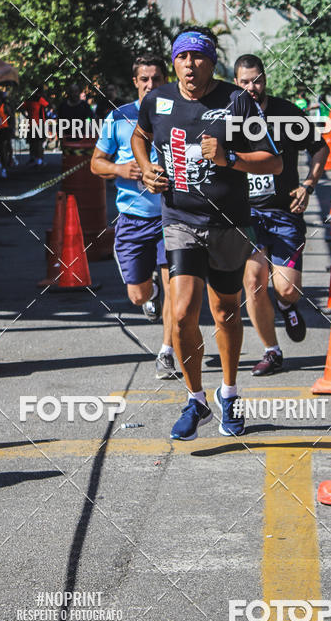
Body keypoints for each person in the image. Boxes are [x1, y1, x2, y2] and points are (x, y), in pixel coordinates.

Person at [132, 28, 282, 441]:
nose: (190, 65)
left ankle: (228, 393)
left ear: (212, 63)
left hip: (230, 223)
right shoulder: (157, 100)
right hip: (180, 219)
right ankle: (195, 398)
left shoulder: (237, 101)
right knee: (181, 313)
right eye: (182, 58)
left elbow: (273, 162)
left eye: (198, 58)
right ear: (174, 63)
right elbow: (140, 136)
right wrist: (145, 168)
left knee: (225, 311)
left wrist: (230, 158)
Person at [234, 54, 329, 376]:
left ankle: (287, 304)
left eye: (257, 80)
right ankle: (271, 351)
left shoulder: (286, 113)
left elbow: (320, 147)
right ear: (236, 83)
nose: (252, 87)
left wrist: (308, 185)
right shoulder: (229, 117)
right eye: (245, 82)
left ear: (265, 79)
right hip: (247, 214)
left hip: (285, 212)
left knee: (286, 288)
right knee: (253, 282)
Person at [91, 54, 177, 380]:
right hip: (133, 218)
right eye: (144, 79)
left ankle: (167, 352)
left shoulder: (179, 113)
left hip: (172, 216)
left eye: (157, 79)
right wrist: (120, 169)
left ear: (166, 81)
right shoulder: (119, 118)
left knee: (175, 288)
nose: (150, 85)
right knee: (137, 294)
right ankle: (150, 293)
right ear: (136, 82)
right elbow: (96, 163)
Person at [23, 85, 49, 165]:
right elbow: (48, 105)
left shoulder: (28, 100)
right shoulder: (40, 99)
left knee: (32, 142)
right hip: (39, 124)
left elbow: (22, 108)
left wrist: (27, 116)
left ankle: (33, 157)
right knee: (39, 143)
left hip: (30, 124)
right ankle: (39, 159)